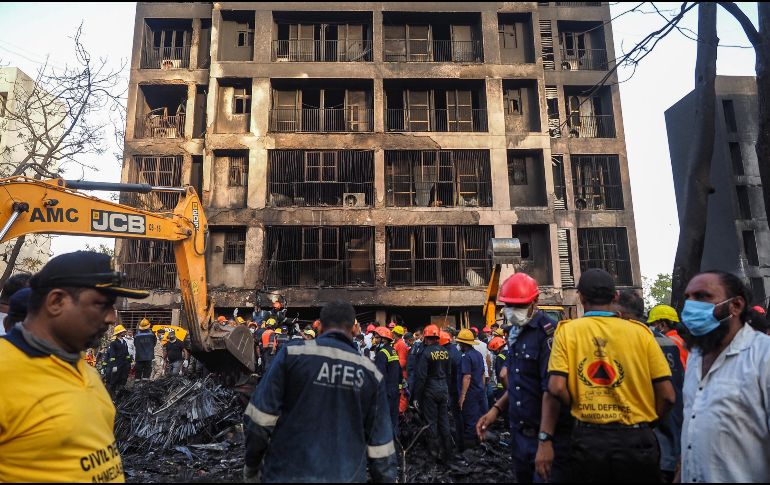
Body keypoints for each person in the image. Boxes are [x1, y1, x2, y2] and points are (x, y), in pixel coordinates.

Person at [0, 251, 149, 481]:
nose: (111, 318)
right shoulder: (5, 372)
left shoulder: (83, 368)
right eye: (101, 304)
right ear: (56, 301)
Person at [242, 300, 396, 482]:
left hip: (286, 474)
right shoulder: (371, 375)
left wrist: (252, 466)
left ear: (320, 327)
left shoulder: (291, 356)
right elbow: (381, 447)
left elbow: (259, 419)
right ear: (354, 330)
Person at [547, 269, 675, 483]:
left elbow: (557, 387)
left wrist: (578, 405)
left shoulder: (567, 331)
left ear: (581, 296)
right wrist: (647, 425)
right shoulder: (641, 333)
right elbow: (668, 396)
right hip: (637, 441)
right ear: (615, 296)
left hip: (588, 441)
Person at [476, 273, 572, 483]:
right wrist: (496, 410)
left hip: (546, 437)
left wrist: (545, 440)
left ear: (535, 302)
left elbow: (552, 391)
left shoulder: (548, 335)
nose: (513, 311)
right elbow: (520, 384)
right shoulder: (515, 335)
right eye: (509, 305)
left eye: (519, 306)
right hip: (520, 435)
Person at [679, 270, 770, 482]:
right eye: (688, 298)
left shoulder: (763, 356)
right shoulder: (695, 357)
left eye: (702, 296)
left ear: (735, 305)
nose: (691, 306)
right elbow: (693, 427)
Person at [616, 290, 684, 484]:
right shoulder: (668, 343)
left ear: (620, 315)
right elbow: (677, 395)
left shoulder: (623, 342)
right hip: (670, 447)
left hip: (636, 446)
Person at [410, 324, 452, 462]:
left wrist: (416, 396)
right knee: (444, 420)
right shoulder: (445, 352)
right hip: (444, 388)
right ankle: (447, 451)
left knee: (431, 421)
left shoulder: (426, 353)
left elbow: (421, 377)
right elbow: (449, 373)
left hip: (430, 390)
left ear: (427, 338)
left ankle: (435, 453)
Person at [456, 327, 488, 448]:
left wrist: (463, 396)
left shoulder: (466, 356)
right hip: (479, 391)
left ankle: (470, 450)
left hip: (470, 394)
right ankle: (481, 444)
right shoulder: (478, 354)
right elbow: (483, 374)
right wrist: (482, 388)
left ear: (462, 343)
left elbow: (467, 377)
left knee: (469, 420)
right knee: (479, 418)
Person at [374, 326, 401, 441]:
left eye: (377, 337)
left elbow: (379, 375)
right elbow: (398, 370)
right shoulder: (392, 350)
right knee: (394, 418)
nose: (375, 339)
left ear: (383, 339)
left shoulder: (382, 353)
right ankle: (396, 444)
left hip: (386, 391)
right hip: (395, 390)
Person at [441, 330, 463, 451]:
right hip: (457, 387)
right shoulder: (454, 351)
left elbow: (448, 375)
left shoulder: (448, 354)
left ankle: (458, 444)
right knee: (458, 416)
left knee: (455, 417)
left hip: (453, 389)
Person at [648, 304, 688, 368]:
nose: (651, 327)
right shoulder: (679, 339)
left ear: (663, 324)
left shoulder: (666, 342)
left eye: (653, 324)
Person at [105, 324, 132, 395]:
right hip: (116, 364)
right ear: (119, 333)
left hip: (124, 364)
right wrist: (113, 365)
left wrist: (130, 362)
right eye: (123, 331)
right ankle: (111, 394)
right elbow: (112, 355)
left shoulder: (124, 342)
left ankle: (120, 393)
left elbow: (127, 353)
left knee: (123, 378)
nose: (124, 332)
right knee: (114, 379)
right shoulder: (113, 343)